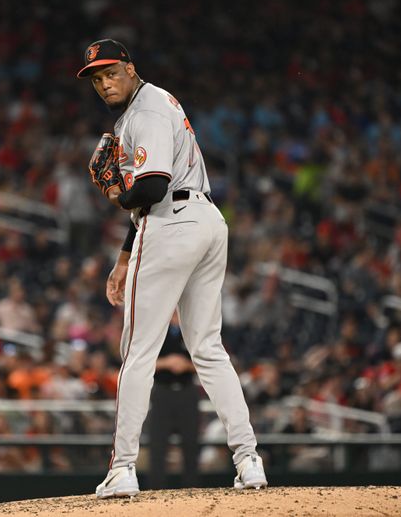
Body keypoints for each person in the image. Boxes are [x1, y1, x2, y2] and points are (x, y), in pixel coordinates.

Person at [77, 39, 266, 498]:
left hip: (172, 224)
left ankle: (122, 468)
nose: (104, 83)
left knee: (139, 350)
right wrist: (124, 257)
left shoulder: (146, 111)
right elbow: (155, 197)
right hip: (203, 221)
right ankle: (249, 460)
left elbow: (154, 188)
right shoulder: (153, 106)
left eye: (111, 73)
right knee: (207, 346)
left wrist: (117, 196)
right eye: (97, 79)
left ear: (130, 68)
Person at [149, 313, 199, 489]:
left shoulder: (194, 331)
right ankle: (156, 490)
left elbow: (211, 361)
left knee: (191, 443)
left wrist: (186, 365)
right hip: (163, 392)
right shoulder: (156, 332)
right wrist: (166, 362)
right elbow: (141, 360)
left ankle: (192, 489)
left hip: (187, 392)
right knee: (158, 443)